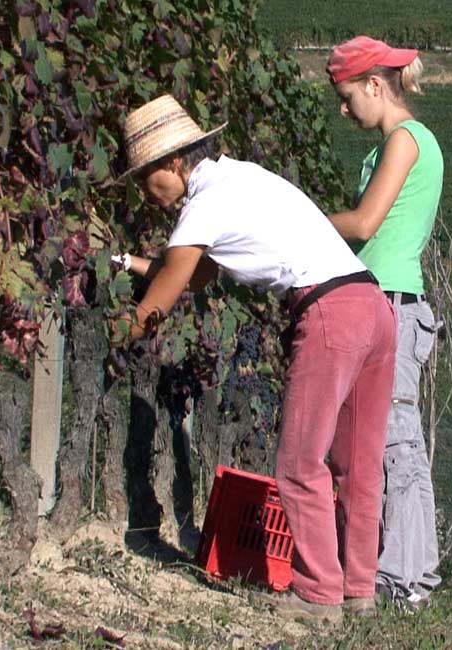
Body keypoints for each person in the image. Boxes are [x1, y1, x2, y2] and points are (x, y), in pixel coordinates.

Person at [113, 94, 397, 624]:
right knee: (357, 465)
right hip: (371, 306)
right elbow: (194, 274)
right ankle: (359, 592)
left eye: (143, 176)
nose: (142, 191)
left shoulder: (203, 206)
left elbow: (166, 296)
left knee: (298, 461)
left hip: (329, 311)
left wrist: (118, 335)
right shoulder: (238, 177)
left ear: (174, 163)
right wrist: (126, 260)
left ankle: (317, 596)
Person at [326, 36, 445, 611]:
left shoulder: (405, 141)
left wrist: (307, 220)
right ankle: (390, 573)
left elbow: (367, 221)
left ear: (376, 85)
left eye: (348, 97)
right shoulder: (385, 149)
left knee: (396, 441)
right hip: (381, 303)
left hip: (396, 305)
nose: (344, 110)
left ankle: (408, 581)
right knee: (377, 441)